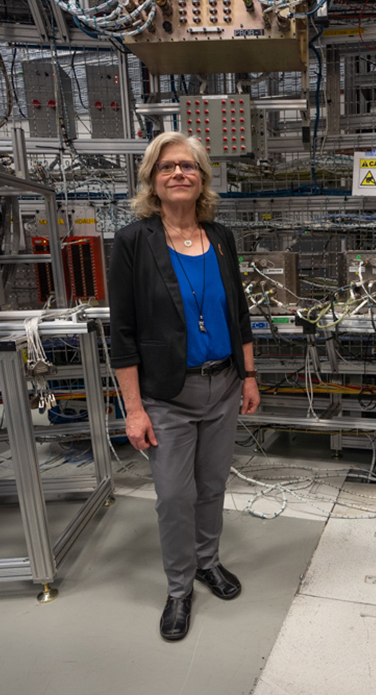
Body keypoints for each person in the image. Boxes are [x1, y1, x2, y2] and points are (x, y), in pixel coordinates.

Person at [109, 132, 260, 642]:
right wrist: (133, 408)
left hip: (222, 386)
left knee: (213, 486)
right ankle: (179, 588)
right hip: (166, 396)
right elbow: (123, 332)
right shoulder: (134, 242)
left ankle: (207, 561)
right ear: (152, 179)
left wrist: (250, 374)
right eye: (167, 166)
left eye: (188, 166)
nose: (179, 173)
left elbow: (237, 312)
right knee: (175, 495)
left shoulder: (220, 238)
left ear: (202, 178)